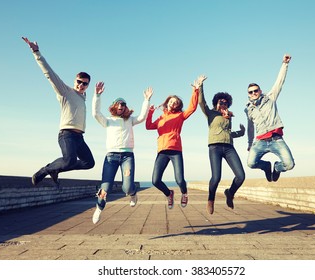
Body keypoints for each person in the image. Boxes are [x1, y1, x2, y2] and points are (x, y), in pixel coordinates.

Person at [22, 37, 95, 187]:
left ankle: (56, 170)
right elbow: (49, 74)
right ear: (75, 81)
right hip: (66, 135)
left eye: (85, 84)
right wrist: (36, 52)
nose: (81, 85)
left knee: (89, 163)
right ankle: (45, 170)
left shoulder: (83, 98)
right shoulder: (65, 92)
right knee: (69, 160)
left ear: (88, 85)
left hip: (79, 137)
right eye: (79, 82)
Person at [91, 83, 153, 224]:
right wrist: (97, 95)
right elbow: (95, 113)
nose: (121, 106)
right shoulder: (108, 121)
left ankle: (133, 194)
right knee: (105, 187)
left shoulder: (130, 120)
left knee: (127, 187)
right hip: (111, 157)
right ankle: (99, 208)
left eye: (123, 104)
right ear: (114, 106)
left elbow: (143, 117)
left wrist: (146, 100)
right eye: (118, 104)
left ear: (125, 107)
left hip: (127, 157)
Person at [146, 75, 206, 209]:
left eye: (176, 102)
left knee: (179, 179)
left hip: (176, 151)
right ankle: (169, 194)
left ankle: (184, 193)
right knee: (155, 180)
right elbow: (149, 126)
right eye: (171, 101)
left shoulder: (180, 116)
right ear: (167, 102)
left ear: (178, 106)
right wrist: (150, 112)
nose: (173, 103)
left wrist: (196, 90)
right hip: (162, 151)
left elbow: (192, 108)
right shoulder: (161, 118)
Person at [245, 54, 295, 182]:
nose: (254, 93)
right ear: (248, 95)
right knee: (250, 163)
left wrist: (285, 64)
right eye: (251, 92)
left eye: (256, 90)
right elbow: (250, 127)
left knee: (289, 164)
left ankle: (277, 168)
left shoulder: (270, 98)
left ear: (260, 91)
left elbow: (279, 82)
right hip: (260, 141)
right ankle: (266, 166)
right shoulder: (248, 109)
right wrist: (250, 143)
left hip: (276, 140)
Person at [199, 83, 246, 214]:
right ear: (216, 102)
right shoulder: (211, 113)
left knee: (241, 176)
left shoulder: (228, 117)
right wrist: (200, 87)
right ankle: (210, 200)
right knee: (216, 177)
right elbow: (201, 102)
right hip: (215, 147)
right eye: (221, 102)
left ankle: (230, 193)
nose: (223, 104)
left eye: (226, 103)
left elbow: (227, 133)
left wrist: (241, 133)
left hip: (229, 147)